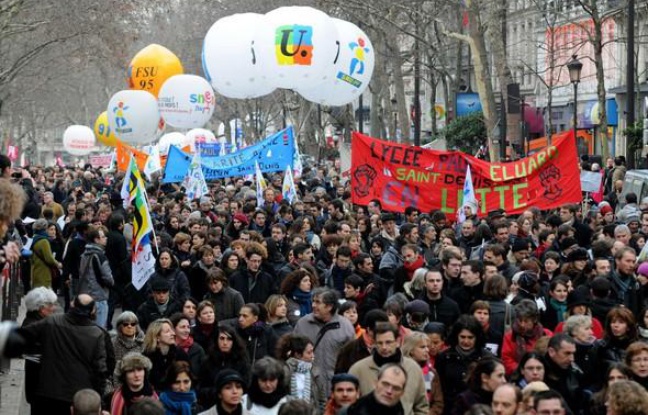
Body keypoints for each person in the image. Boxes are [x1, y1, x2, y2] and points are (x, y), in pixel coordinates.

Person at [18, 294, 113, 414]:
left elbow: (21, 336)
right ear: (93, 310)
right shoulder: (98, 334)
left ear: (73, 305)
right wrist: (100, 402)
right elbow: (102, 370)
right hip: (79, 399)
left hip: (48, 394)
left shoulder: (51, 322)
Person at [349, 322, 429, 415]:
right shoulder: (358, 369)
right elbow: (349, 404)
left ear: (398, 342)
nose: (384, 347)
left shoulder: (413, 368)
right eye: (379, 343)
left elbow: (421, 406)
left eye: (388, 342)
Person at [293, 287, 355, 402]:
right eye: (313, 301)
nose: (313, 305)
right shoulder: (302, 324)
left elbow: (352, 359)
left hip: (336, 388)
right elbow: (293, 355)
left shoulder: (345, 326)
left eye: (318, 302)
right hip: (308, 389)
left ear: (329, 306)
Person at [436, 315, 493, 415]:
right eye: (462, 337)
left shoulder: (487, 358)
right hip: (449, 409)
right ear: (456, 336)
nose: (466, 341)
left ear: (477, 337)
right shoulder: (444, 357)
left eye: (470, 337)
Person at [198, 324, 251, 407]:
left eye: (229, 339)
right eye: (222, 338)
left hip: (237, 404)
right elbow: (201, 388)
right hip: (212, 404)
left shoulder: (241, 360)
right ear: (216, 340)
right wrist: (218, 392)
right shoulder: (208, 361)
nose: (225, 342)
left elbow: (246, 384)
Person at [22, 286, 58, 406]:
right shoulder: (38, 327)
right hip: (41, 386)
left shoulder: (31, 321)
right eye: (51, 305)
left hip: (37, 385)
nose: (54, 308)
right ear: (42, 308)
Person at [501, 299, 552, 376]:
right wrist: (524, 370)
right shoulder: (510, 336)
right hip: (519, 375)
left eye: (526, 321)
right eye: (520, 320)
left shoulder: (546, 334)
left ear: (534, 320)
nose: (522, 324)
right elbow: (507, 359)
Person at [78, 225, 114, 328]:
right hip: (99, 297)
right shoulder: (100, 256)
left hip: (86, 297)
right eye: (103, 237)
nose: (105, 238)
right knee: (99, 330)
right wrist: (112, 282)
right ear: (96, 240)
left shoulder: (84, 254)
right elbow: (108, 278)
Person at [275, 334, 324, 407]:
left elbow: (321, 400)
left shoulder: (314, 372)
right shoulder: (284, 370)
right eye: (309, 352)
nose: (312, 356)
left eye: (312, 352)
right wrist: (291, 365)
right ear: (297, 354)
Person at [401, 331, 443, 415]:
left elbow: (438, 403)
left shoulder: (432, 372)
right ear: (411, 350)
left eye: (427, 346)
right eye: (422, 347)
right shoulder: (398, 371)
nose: (427, 350)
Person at [142, 318, 190, 392]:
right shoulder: (146, 358)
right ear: (157, 337)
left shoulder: (180, 353)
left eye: (172, 330)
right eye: (168, 331)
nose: (173, 334)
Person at [340, 364, 408, 415]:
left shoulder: (399, 410)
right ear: (375, 384)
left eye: (396, 388)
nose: (389, 391)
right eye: (385, 384)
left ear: (402, 393)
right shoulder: (355, 410)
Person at [543, 334, 584, 414]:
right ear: (551, 352)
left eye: (573, 353)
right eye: (567, 353)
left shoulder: (575, 373)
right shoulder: (539, 372)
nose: (572, 359)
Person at [170, 313, 205, 381]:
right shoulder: (168, 349)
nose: (187, 330)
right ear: (173, 329)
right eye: (183, 327)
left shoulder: (198, 349)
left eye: (188, 327)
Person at [112, 311, 146, 382]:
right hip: (119, 380)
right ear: (119, 326)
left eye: (133, 324)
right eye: (125, 324)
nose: (129, 326)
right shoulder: (113, 342)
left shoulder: (144, 341)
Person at [31, 218, 63, 289]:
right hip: (43, 271)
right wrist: (58, 264)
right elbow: (49, 258)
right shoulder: (44, 241)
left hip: (35, 269)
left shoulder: (35, 238)